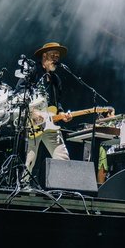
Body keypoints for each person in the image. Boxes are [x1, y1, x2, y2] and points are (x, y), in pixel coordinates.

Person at [23, 41, 74, 180]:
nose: (56, 59)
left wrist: (62, 113)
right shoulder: (33, 71)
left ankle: (64, 186)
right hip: (33, 122)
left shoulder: (56, 79)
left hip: (51, 123)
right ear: (44, 56)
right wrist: (33, 111)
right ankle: (22, 186)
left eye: (58, 56)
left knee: (62, 155)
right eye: (53, 56)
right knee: (30, 157)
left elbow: (57, 102)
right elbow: (20, 92)